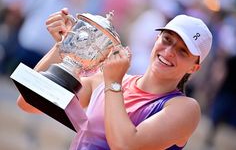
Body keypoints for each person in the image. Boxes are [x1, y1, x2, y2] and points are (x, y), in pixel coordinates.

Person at [17, 8, 212, 150]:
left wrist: (114, 83)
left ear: (194, 67)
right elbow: (29, 102)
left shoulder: (185, 108)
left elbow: (126, 145)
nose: (169, 52)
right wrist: (65, 45)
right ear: (156, 39)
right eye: (167, 40)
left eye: (182, 51)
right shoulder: (104, 80)